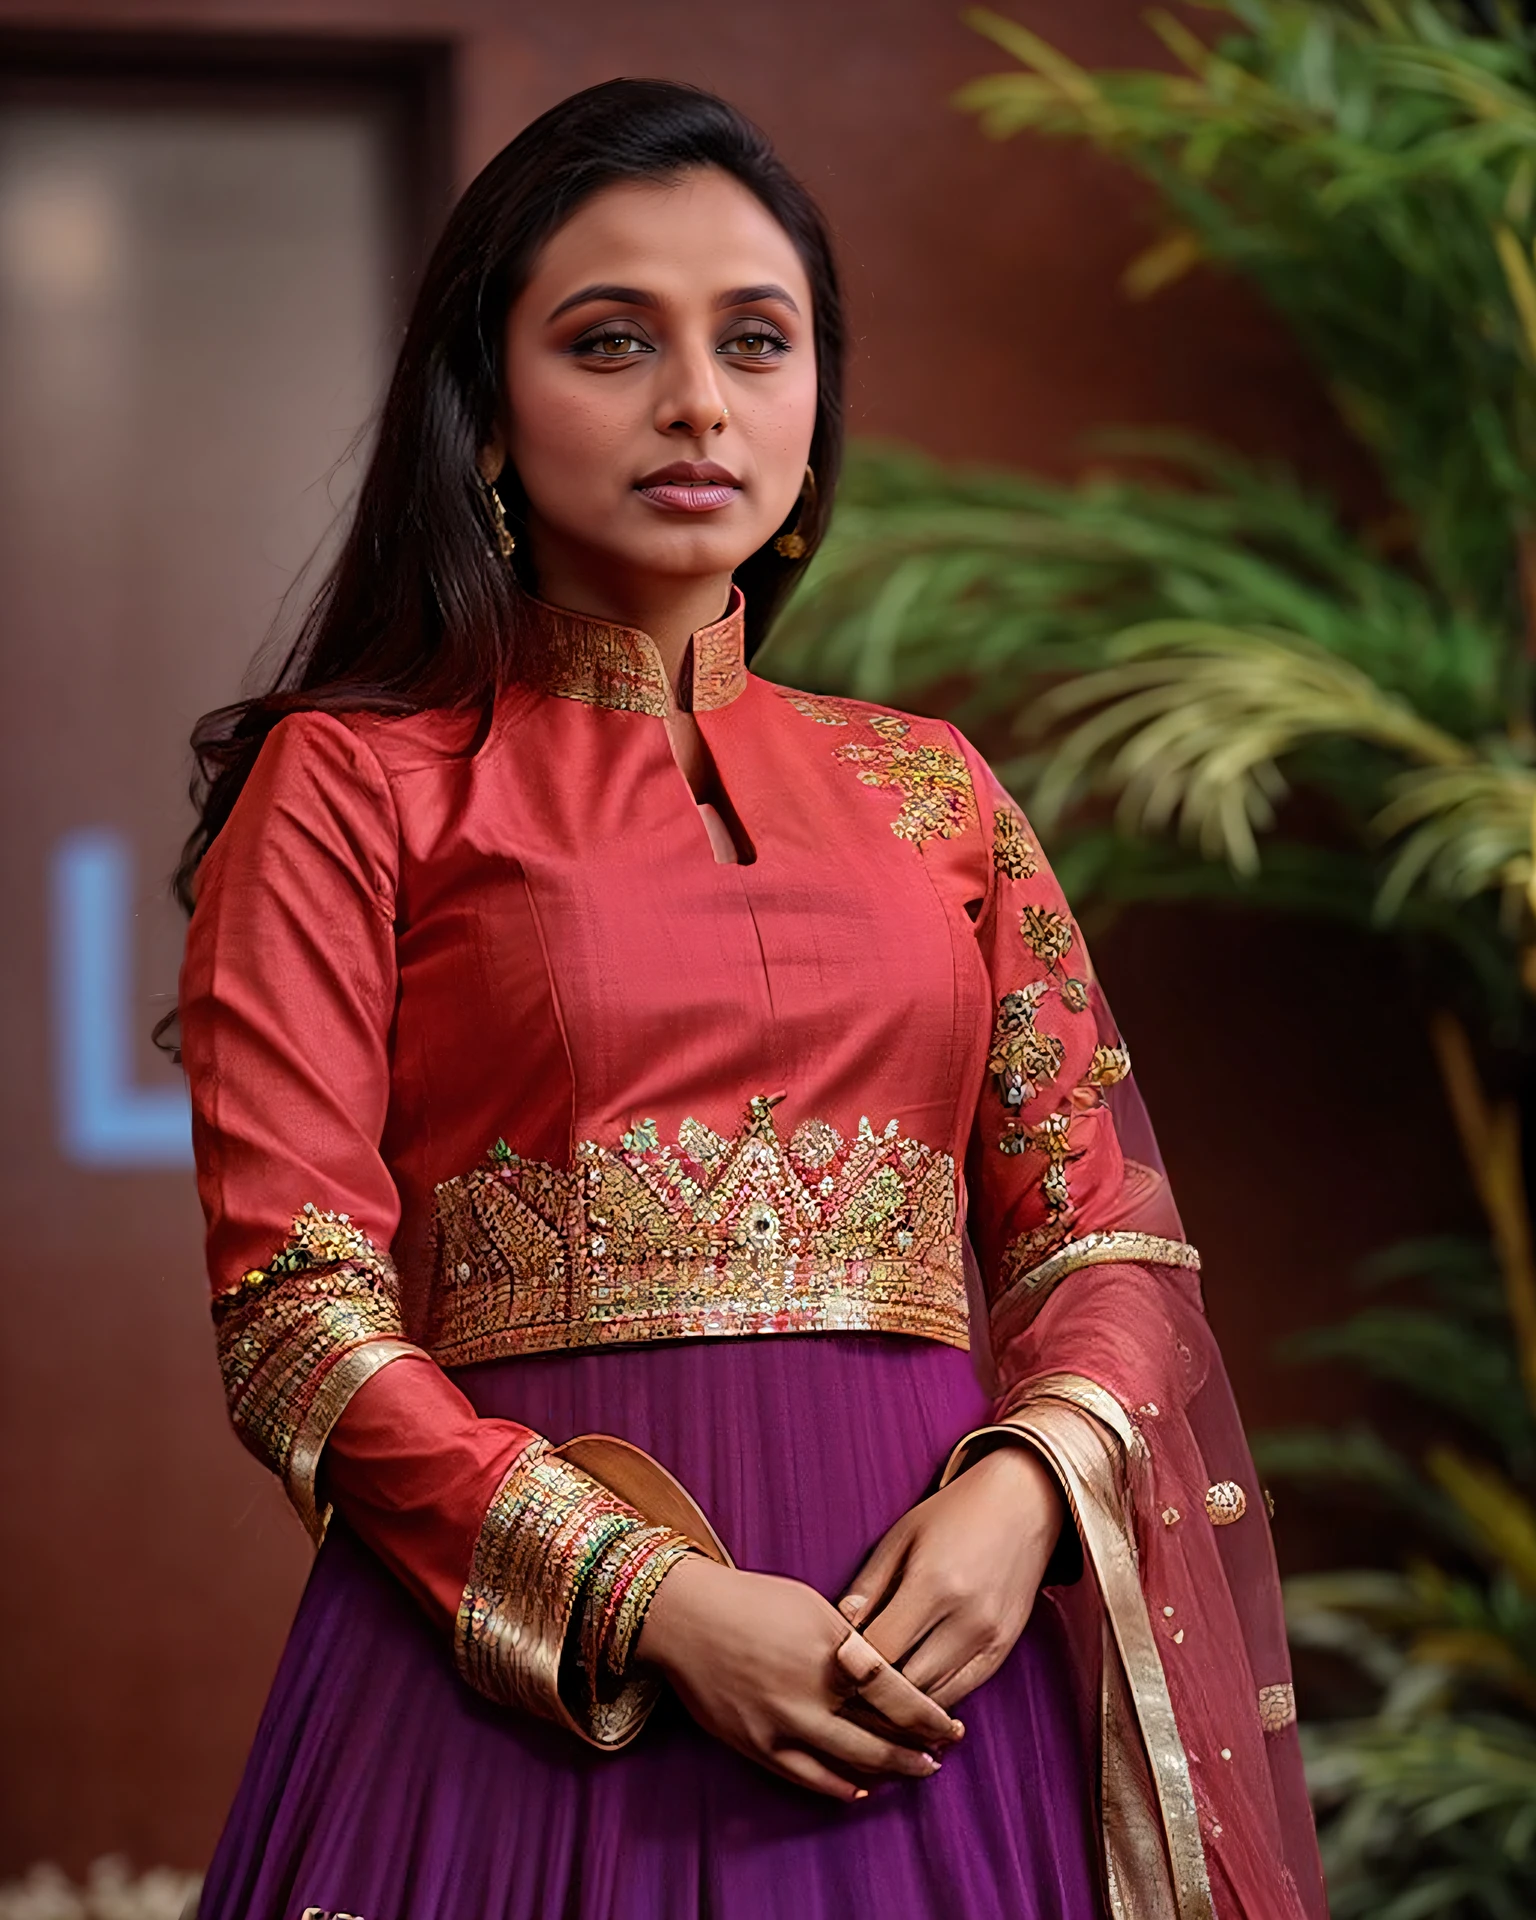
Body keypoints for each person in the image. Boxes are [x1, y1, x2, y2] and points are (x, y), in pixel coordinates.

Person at [174, 78, 1325, 1920]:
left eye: (757, 341)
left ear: (813, 409)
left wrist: (1026, 1492)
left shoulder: (936, 790)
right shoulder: (357, 785)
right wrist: (656, 1609)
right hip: (536, 1708)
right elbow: (298, 1322)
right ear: (485, 408)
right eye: (612, 340)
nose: (698, 402)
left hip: (934, 1682)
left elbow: (1101, 1244)